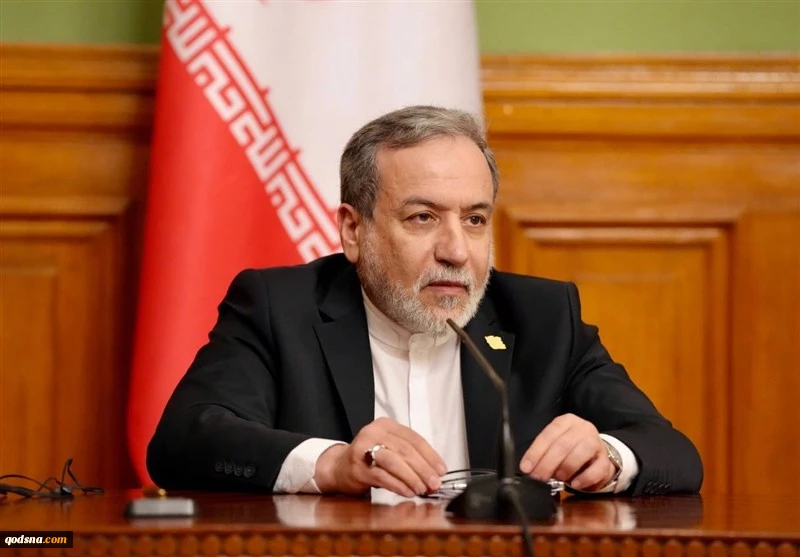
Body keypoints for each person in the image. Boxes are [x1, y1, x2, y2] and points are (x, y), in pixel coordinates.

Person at [147, 106, 703, 498]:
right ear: (353, 230)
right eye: (423, 217)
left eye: (475, 219)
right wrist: (332, 464)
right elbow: (182, 441)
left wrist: (609, 457)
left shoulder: (543, 317)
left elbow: (673, 452)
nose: (456, 251)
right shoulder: (279, 308)